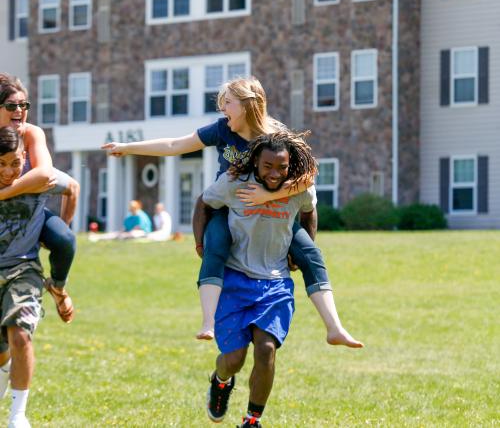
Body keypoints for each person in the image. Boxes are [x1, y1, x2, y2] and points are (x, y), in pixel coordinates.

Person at [102, 76, 358, 346]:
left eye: (227, 103)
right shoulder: (222, 130)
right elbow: (175, 145)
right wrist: (127, 148)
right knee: (217, 245)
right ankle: (208, 322)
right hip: (227, 208)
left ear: (247, 105)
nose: (222, 109)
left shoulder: (277, 136)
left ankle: (334, 328)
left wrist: (267, 195)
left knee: (310, 254)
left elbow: (307, 178)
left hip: (272, 214)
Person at [194, 131, 363, 427]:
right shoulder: (234, 184)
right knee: (233, 360)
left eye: (281, 168)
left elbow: (310, 213)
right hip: (235, 279)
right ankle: (220, 381)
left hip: (275, 282)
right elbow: (203, 204)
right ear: (255, 162)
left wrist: (300, 249)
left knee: (266, 349)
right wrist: (200, 242)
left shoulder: (299, 189)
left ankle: (252, 419)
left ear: (290, 165)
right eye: (268, 166)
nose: (274, 174)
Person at [0, 126, 79, 428]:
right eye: (2, 163)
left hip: (24, 270)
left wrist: (56, 228)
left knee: (20, 335)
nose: (9, 171)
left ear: (24, 158)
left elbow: (72, 187)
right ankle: (6, 369)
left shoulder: (38, 179)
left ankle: (18, 415)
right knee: (2, 352)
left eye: (15, 162)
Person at [0, 74, 76, 323]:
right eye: (12, 106)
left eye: (24, 105)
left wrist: (5, 193)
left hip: (30, 212)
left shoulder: (32, 133)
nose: (20, 110)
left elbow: (45, 173)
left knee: (64, 238)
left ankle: (58, 286)